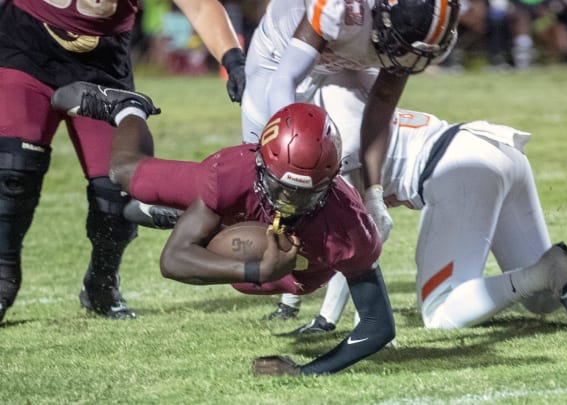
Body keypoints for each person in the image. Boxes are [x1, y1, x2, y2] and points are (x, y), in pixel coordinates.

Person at [50, 82, 396, 375]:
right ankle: (129, 109)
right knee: (124, 173)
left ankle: (196, 221)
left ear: (331, 181)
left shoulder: (349, 229)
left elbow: (377, 325)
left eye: (306, 191)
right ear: (260, 161)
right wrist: (256, 268)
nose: (290, 199)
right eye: (282, 186)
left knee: (244, 259)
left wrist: (306, 371)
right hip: (246, 212)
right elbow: (172, 261)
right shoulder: (235, 171)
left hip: (295, 271)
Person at [283, 82, 567, 332]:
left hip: (460, 168)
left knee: (439, 311)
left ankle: (547, 271)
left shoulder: (333, 146)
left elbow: (365, 237)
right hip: (497, 150)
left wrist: (326, 318)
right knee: (542, 302)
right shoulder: (354, 115)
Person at [0, 0, 245, 323]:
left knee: (117, 189)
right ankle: (3, 277)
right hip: (26, 46)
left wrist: (234, 59)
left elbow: (198, 5)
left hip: (103, 65)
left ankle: (102, 281)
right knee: (13, 171)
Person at [241, 0, 461, 319]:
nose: (406, 61)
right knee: (272, 177)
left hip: (351, 58)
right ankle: (287, 291)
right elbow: (284, 81)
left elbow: (383, 102)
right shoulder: (339, 7)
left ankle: (327, 293)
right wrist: (291, 155)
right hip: (280, 57)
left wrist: (374, 193)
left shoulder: (415, 26)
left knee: (348, 159)